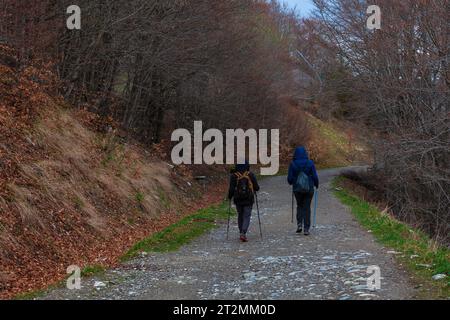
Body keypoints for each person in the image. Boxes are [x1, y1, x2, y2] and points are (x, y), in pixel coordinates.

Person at [287, 146, 319, 236]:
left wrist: (293, 181)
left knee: (300, 206)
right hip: (309, 188)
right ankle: (306, 229)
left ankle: (299, 225)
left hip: (297, 189)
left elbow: (289, 179)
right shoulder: (310, 163)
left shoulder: (292, 164)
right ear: (305, 153)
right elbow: (315, 176)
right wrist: (316, 184)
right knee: (307, 207)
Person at [227, 161, 260, 242]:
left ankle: (241, 231)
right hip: (248, 199)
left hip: (238, 199)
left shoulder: (234, 176)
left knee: (240, 215)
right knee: (247, 215)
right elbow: (257, 187)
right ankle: (243, 232)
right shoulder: (250, 174)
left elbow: (231, 189)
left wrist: (229, 197)